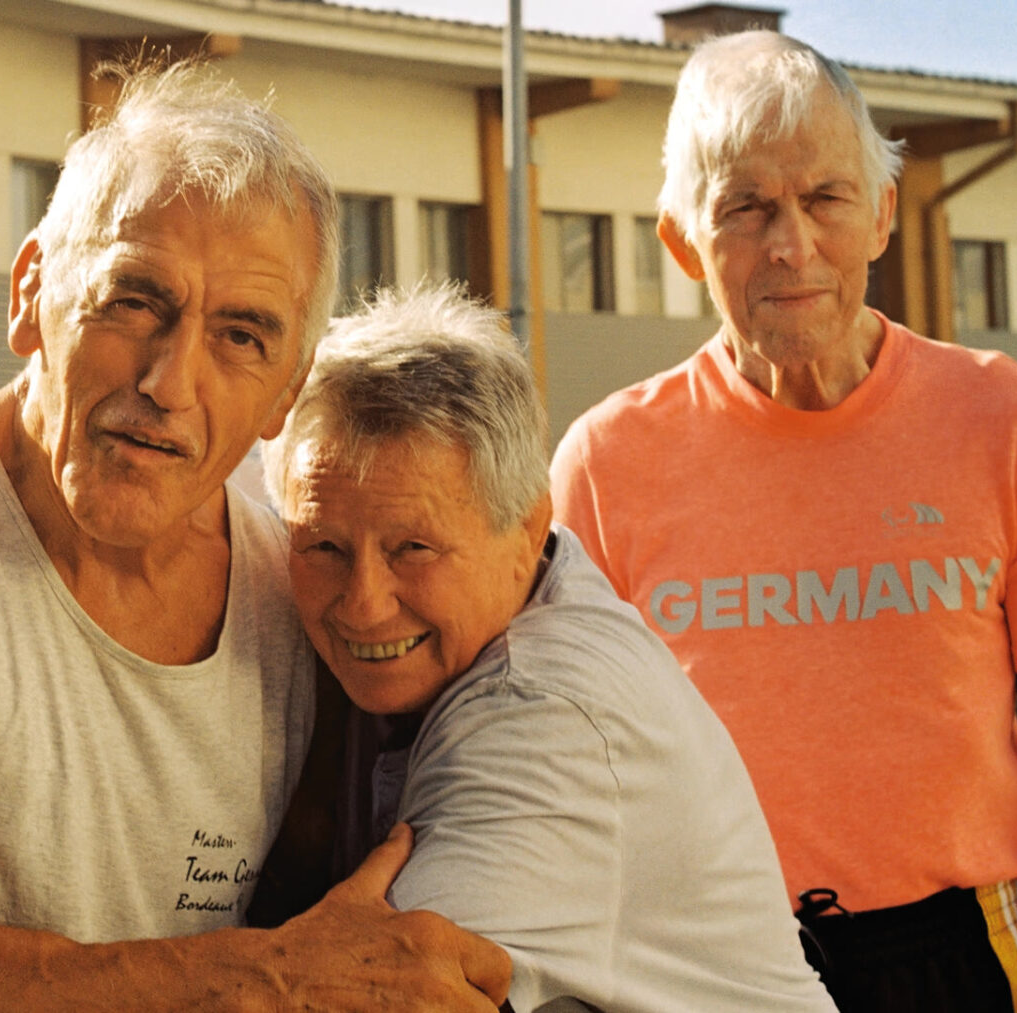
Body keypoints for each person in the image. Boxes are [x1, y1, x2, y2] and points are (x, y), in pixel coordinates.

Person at [0, 64, 510, 1012]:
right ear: (30, 293)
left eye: (242, 335)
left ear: (286, 392)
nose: (171, 381)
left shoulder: (290, 588)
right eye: (135, 300)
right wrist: (265, 981)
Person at [549, 29, 1017, 1013]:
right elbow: (560, 766)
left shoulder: (1008, 420)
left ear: (882, 214)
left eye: (826, 196)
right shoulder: (606, 462)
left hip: (962, 956)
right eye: (745, 206)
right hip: (705, 965)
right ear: (682, 239)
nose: (793, 243)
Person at [262, 284, 837, 1013]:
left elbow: (367, 994)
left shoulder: (541, 711)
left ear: (528, 531)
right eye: (325, 547)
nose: (363, 602)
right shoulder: (505, 604)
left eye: (413, 548)